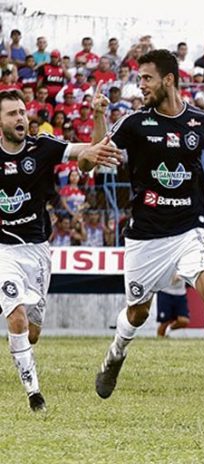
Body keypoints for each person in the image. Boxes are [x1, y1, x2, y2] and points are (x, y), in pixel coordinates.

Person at [88, 50, 204, 418]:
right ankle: (115, 356)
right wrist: (98, 117)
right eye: (139, 79)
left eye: (146, 78)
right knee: (138, 311)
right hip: (146, 236)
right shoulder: (134, 123)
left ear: (168, 80)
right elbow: (91, 160)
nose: (140, 85)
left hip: (191, 228)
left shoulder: (202, 122)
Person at [0, 88, 120, 412]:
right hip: (3, 251)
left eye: (23, 112)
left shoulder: (43, 148)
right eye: (12, 113)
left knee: (33, 332)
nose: (21, 118)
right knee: (16, 316)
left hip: (38, 251)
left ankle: (21, 351)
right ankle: (33, 393)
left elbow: (91, 152)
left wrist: (96, 114)